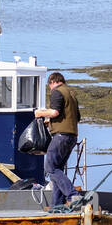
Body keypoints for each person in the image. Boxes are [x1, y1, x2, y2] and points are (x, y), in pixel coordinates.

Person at [35, 72, 81, 207]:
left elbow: (55, 112)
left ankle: (73, 195)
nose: (50, 89)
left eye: (49, 86)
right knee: (57, 170)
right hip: (72, 136)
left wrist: (40, 113)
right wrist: (52, 122)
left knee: (50, 168)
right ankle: (57, 205)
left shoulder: (57, 92)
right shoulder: (71, 94)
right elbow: (76, 117)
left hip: (61, 136)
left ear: (52, 82)